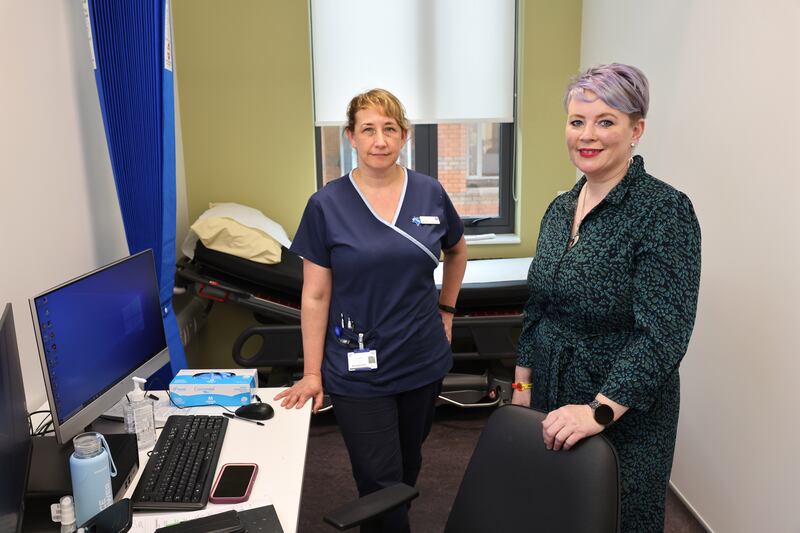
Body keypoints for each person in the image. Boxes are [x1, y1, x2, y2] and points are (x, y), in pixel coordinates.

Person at [512, 63, 701, 532]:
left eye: (605, 121)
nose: (587, 135)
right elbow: (538, 307)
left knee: (616, 517)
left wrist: (598, 411)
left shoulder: (664, 211)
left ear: (636, 130)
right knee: (557, 512)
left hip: (621, 412)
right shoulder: (560, 208)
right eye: (577, 122)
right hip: (553, 395)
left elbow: (663, 335)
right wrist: (521, 389)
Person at [275, 88, 468, 532]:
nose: (379, 140)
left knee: (408, 465)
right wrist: (311, 373)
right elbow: (316, 295)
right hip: (356, 370)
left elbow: (457, 251)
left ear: (404, 136)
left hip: (422, 359)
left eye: (389, 129)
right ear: (350, 137)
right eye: (368, 129)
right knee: (380, 483)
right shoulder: (327, 204)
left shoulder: (430, 193)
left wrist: (447, 309)